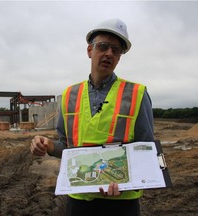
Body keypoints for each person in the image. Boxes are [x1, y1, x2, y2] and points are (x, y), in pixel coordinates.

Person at [30, 18, 154, 216]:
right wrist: (48, 145)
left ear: (120, 57)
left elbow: (146, 151)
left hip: (121, 203)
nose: (109, 54)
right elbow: (67, 147)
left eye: (116, 50)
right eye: (103, 46)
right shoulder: (70, 95)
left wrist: (125, 183)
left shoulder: (137, 94)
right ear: (90, 50)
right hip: (79, 200)